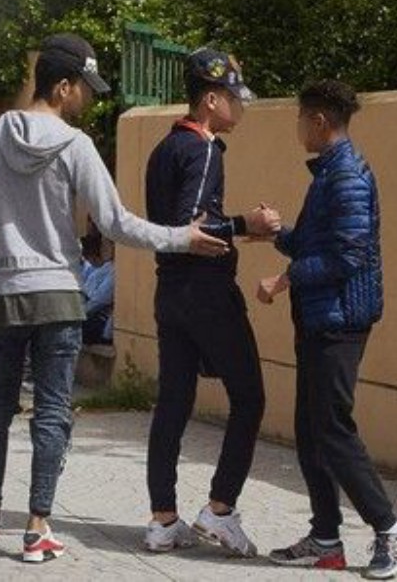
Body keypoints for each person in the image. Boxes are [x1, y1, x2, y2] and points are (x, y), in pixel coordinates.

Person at [0, 33, 229, 563]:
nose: (88, 97)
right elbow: (114, 223)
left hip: (2, 291)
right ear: (63, 86)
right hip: (58, 293)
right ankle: (37, 529)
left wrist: (6, 230)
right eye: (85, 86)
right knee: (52, 410)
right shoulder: (74, 145)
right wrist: (182, 237)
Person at [256, 80, 397, 579]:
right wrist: (277, 232)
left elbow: (349, 255)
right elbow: (316, 244)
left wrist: (283, 280)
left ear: (319, 121)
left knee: (332, 428)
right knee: (310, 430)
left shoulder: (347, 175)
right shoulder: (329, 172)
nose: (298, 127)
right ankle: (325, 539)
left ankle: (390, 530)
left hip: (341, 321)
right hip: (319, 318)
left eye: (301, 118)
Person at [142, 47, 281, 557]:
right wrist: (248, 223)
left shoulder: (163, 149)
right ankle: (220, 510)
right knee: (250, 397)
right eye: (232, 98)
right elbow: (192, 226)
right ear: (210, 101)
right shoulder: (203, 150)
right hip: (206, 292)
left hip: (170, 292)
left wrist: (236, 229)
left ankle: (163, 520)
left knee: (173, 403)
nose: (238, 107)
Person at [79, 231, 114, 345]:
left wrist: (77, 315)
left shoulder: (115, 270)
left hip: (98, 319)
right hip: (87, 311)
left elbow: (100, 300)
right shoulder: (104, 267)